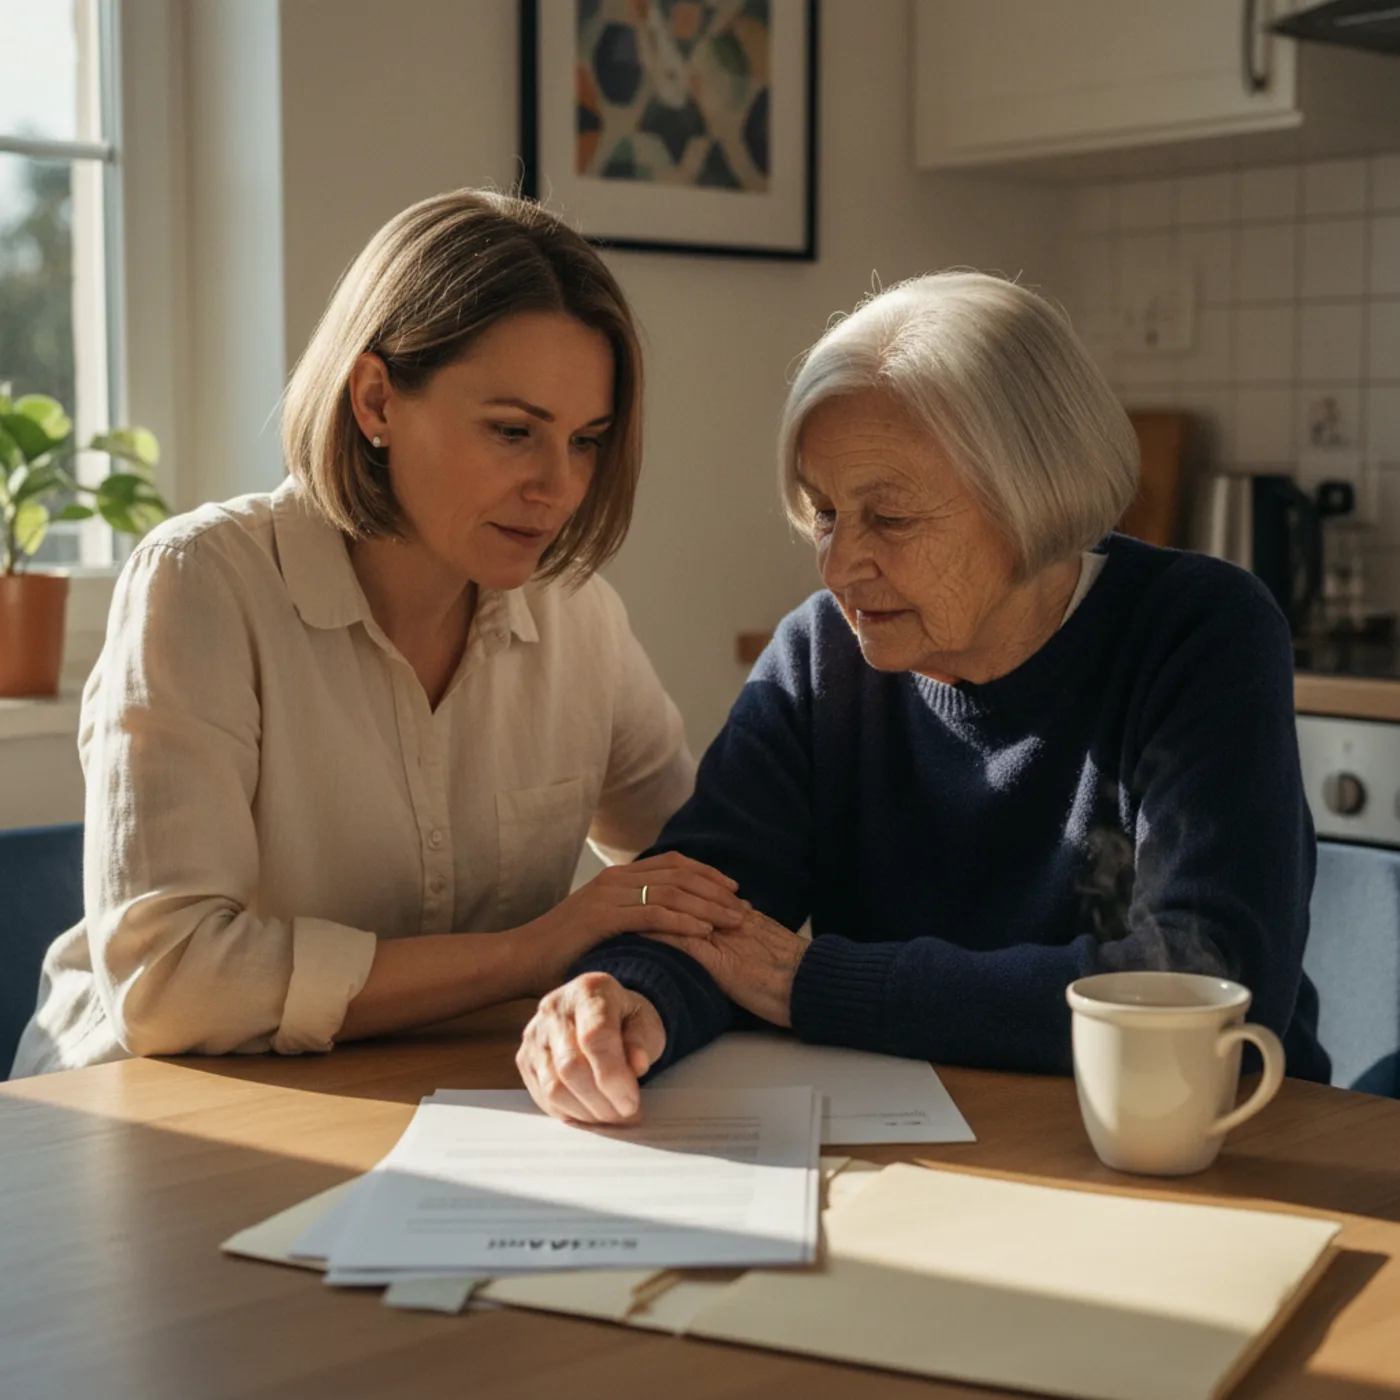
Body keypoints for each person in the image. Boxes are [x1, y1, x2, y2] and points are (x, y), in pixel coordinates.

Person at [516, 271, 1329, 1125]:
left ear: (1033, 496)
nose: (836, 568)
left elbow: (1206, 984)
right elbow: (707, 909)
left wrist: (814, 984)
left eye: (890, 520)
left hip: (1212, 1139)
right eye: (825, 514)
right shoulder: (820, 655)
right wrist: (628, 1001)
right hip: (929, 1147)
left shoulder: (1200, 630)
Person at [12, 189, 743, 1077]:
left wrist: (621, 984)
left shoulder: (576, 615)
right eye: (514, 432)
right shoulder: (199, 583)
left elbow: (699, 878)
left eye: (586, 441)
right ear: (375, 402)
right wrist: (537, 950)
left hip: (425, 1101)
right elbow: (168, 983)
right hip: (140, 1117)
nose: (558, 487)